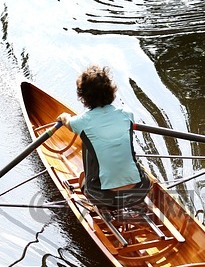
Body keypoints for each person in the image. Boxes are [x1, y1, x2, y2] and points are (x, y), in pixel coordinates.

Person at [57, 65, 151, 210]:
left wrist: (64, 117)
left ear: (83, 97)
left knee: (87, 145)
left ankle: (101, 198)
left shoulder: (81, 122)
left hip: (105, 198)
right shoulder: (127, 114)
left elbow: (68, 123)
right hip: (140, 190)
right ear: (111, 91)